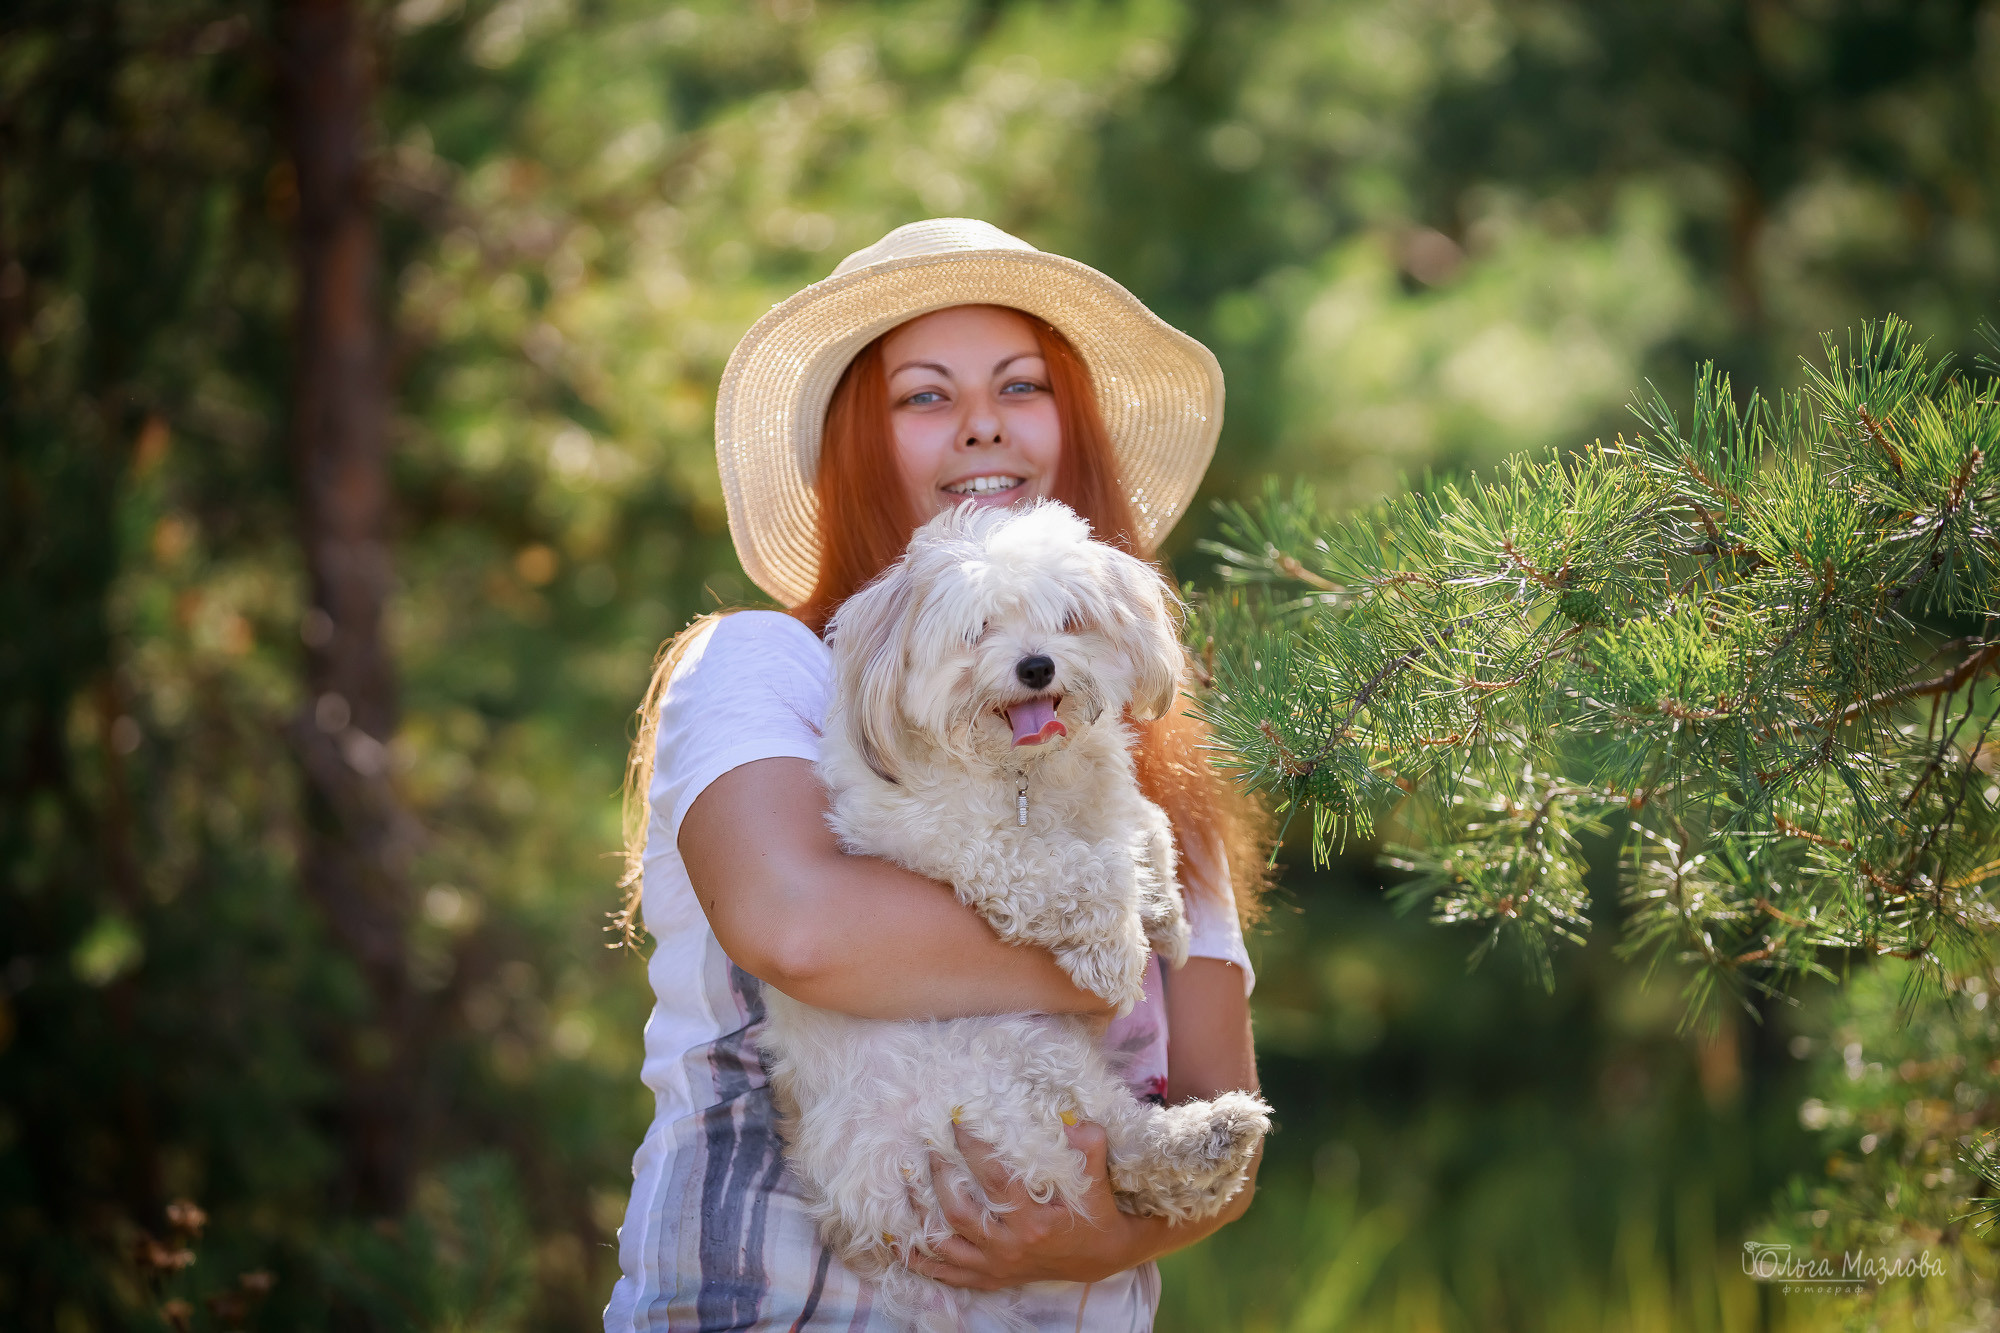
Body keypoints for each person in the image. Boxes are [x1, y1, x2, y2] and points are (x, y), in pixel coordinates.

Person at [604, 219, 1271, 1332]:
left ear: (1070, 426)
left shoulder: (1155, 774)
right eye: (924, 396)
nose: (981, 424)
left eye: (1021, 385)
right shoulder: (767, 667)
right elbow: (799, 929)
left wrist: (1105, 1237)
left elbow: (1225, 1125)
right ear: (855, 448)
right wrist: (1096, 954)